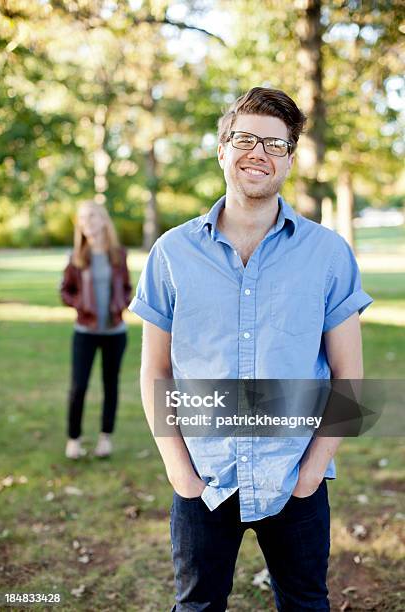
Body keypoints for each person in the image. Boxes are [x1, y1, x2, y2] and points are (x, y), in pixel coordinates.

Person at [129, 88, 373, 611]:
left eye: (275, 144)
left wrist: (312, 472)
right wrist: (178, 469)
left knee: (306, 603)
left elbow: (349, 374)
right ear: (222, 149)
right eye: (245, 139)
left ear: (289, 158)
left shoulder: (327, 254)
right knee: (196, 606)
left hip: (294, 474)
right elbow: (155, 370)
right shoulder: (171, 253)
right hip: (205, 475)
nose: (258, 153)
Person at [60, 200, 132, 459]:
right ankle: (74, 439)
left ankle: (105, 438)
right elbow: (65, 291)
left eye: (91, 216)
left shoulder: (118, 255)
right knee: (79, 386)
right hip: (85, 333)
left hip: (115, 333)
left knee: (110, 385)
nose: (86, 222)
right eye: (82, 218)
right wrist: (80, 304)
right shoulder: (76, 257)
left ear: (103, 220)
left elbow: (126, 287)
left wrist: (121, 304)